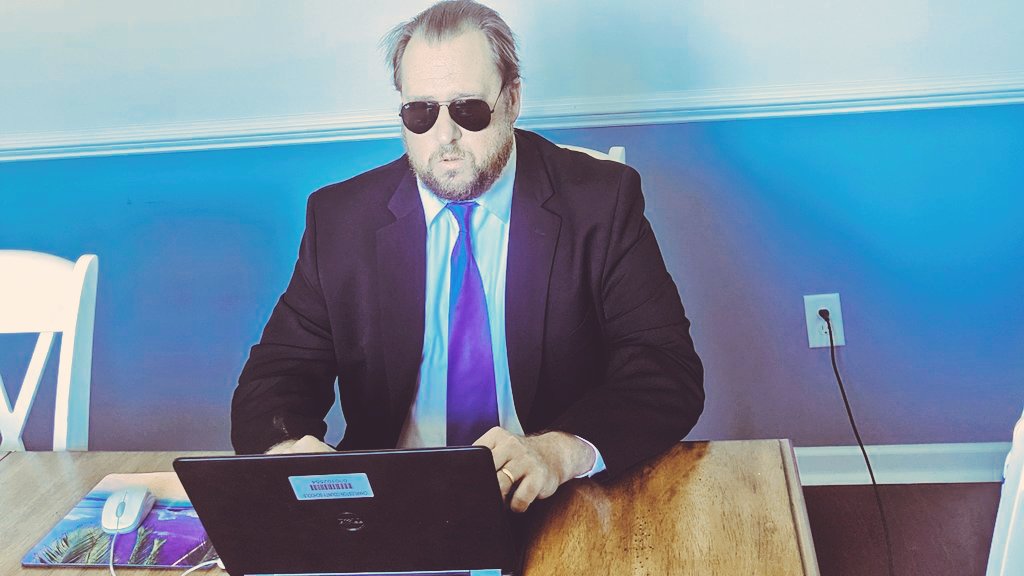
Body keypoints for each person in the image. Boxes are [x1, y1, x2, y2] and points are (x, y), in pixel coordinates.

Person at [231, 0, 704, 513]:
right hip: (391, 505)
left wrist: (558, 451)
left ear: (512, 100)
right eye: (421, 112)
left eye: (468, 109)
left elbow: (665, 369)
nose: (445, 137)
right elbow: (277, 375)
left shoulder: (600, 203)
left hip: (550, 497)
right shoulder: (341, 221)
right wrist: (288, 451)